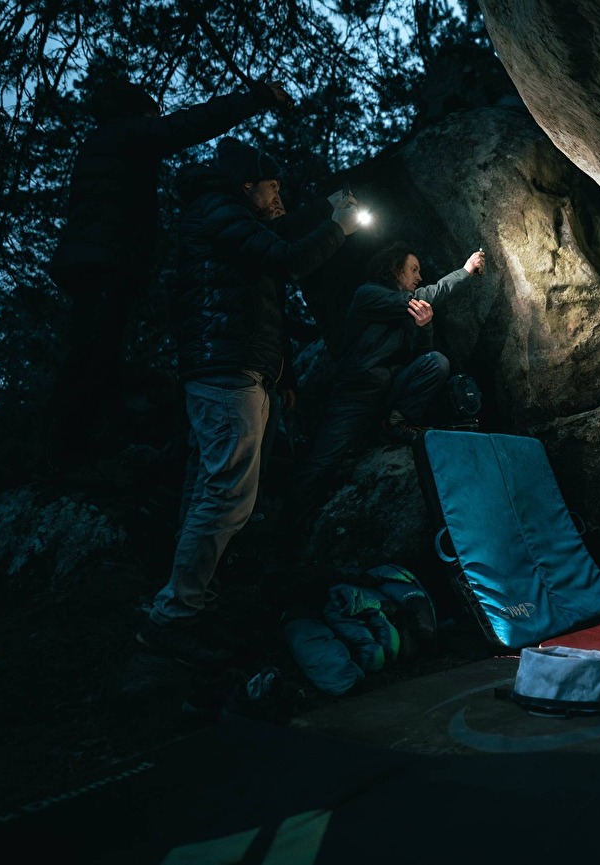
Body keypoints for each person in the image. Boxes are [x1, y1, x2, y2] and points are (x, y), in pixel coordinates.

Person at [136, 136, 362, 669]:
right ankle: (173, 615)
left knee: (208, 494)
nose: (279, 196)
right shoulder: (218, 213)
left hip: (237, 371)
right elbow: (286, 258)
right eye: (273, 186)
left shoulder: (232, 219)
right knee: (226, 498)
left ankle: (190, 603)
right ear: (247, 187)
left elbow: (265, 272)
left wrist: (281, 368)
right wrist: (339, 226)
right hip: (224, 374)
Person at [45, 76, 294, 475]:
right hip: (106, 264)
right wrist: (256, 98)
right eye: (152, 116)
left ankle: (86, 446)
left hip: (95, 262)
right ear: (140, 112)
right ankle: (70, 453)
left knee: (95, 352)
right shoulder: (125, 133)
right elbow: (187, 126)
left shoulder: (104, 141)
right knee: (94, 354)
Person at [282, 242, 485, 531]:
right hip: (356, 395)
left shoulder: (405, 308)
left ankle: (395, 421)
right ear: (393, 269)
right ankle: (287, 525)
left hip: (389, 391)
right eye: (413, 269)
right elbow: (421, 297)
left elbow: (420, 355)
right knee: (324, 461)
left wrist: (425, 326)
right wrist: (464, 272)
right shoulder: (369, 295)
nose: (418, 276)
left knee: (436, 362)